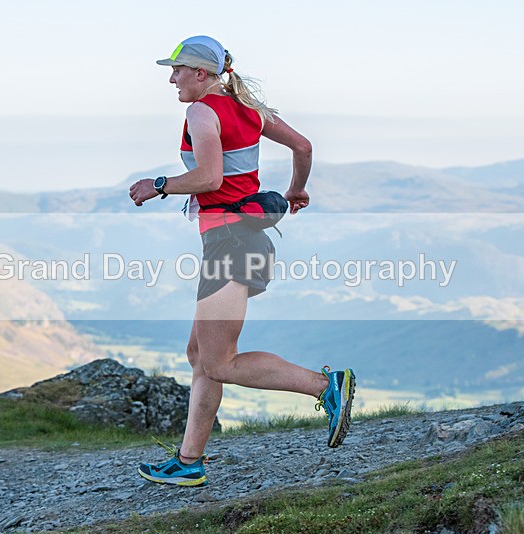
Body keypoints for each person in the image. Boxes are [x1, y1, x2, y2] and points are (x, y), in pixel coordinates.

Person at [129, 35, 355, 487]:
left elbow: (209, 178)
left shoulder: (200, 111)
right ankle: (188, 460)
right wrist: (296, 190)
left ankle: (324, 386)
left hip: (229, 241)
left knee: (221, 361)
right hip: (243, 239)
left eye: (177, 71)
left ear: (201, 74)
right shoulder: (249, 111)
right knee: (200, 355)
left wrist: (158, 184)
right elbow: (304, 147)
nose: (171, 79)